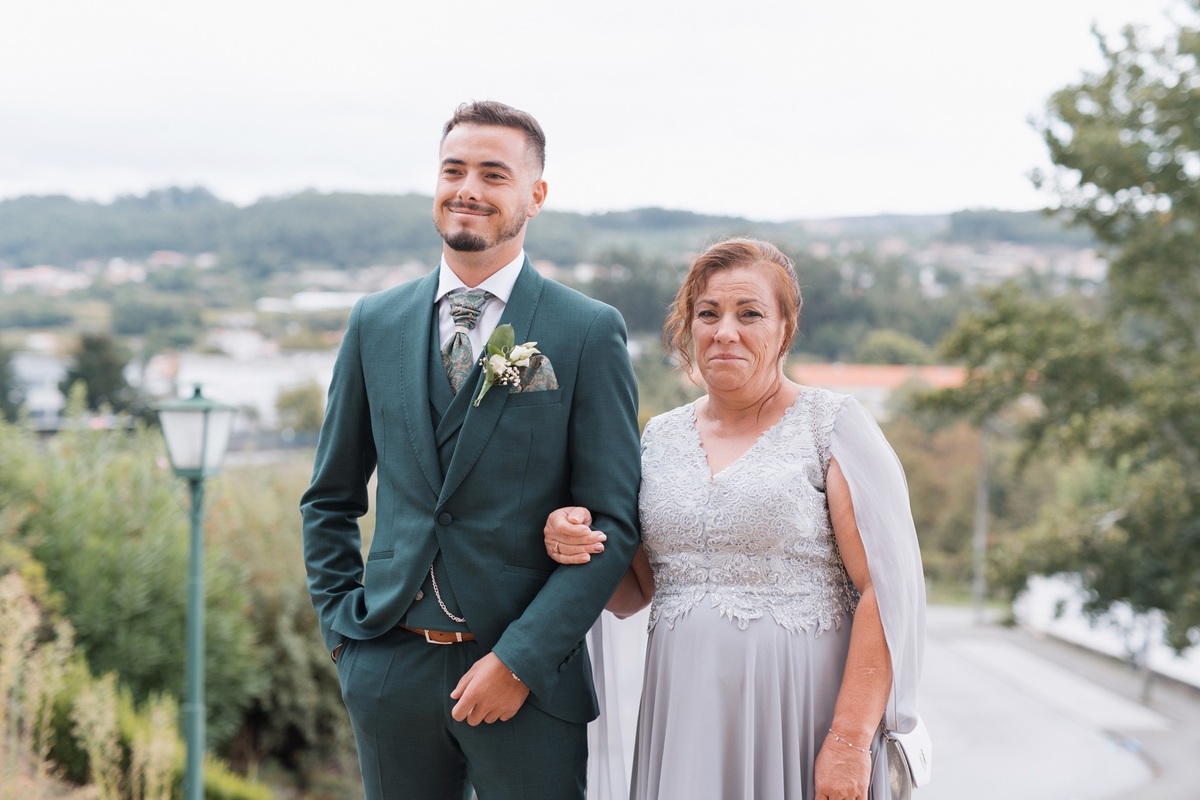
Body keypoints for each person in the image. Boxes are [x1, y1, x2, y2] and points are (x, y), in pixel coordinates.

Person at [301, 100, 642, 800]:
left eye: (493, 174)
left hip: (527, 681)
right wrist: (345, 637)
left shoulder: (586, 331)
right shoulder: (374, 323)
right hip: (389, 672)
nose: (468, 189)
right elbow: (330, 498)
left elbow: (613, 520)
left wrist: (519, 662)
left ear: (535, 196)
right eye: (453, 170)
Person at [545, 238, 926, 800]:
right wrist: (575, 539)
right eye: (708, 314)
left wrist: (849, 740)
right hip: (682, 712)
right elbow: (633, 593)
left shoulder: (832, 426)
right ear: (688, 328)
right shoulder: (658, 437)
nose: (725, 331)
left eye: (749, 314)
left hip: (799, 713)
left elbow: (885, 592)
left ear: (786, 329)